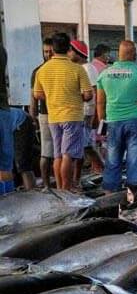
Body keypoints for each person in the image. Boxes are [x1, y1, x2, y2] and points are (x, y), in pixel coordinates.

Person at [95, 40, 137, 195]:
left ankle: (110, 193)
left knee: (112, 159)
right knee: (135, 158)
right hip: (136, 121)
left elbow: (100, 101)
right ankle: (134, 192)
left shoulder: (104, 74)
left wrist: (102, 121)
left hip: (113, 121)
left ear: (118, 54)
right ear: (135, 55)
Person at [33, 32, 93, 192]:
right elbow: (88, 94)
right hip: (72, 116)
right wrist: (74, 95)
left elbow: (37, 94)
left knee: (58, 154)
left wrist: (53, 95)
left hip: (53, 117)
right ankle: (67, 189)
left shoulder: (42, 70)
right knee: (68, 155)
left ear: (52, 48)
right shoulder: (77, 69)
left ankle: (60, 188)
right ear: (68, 48)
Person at [67, 39, 103, 184]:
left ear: (78, 53)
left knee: (81, 147)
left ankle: (76, 179)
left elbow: (94, 91)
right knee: (87, 146)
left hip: (86, 113)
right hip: (83, 112)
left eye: (70, 51)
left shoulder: (88, 68)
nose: (68, 54)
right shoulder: (81, 68)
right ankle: (104, 168)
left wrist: (95, 116)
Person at [31, 38, 54, 189]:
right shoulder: (37, 71)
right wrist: (33, 115)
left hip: (59, 114)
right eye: (45, 51)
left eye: (50, 51)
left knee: (57, 153)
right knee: (46, 152)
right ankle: (47, 185)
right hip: (45, 114)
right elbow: (33, 95)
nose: (47, 54)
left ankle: (56, 184)